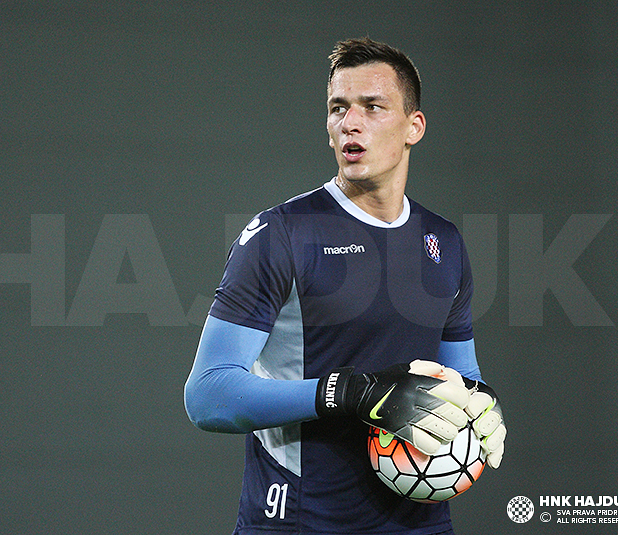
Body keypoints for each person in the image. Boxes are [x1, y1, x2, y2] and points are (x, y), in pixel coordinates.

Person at [184, 37, 506, 535]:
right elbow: (207, 395)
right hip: (302, 522)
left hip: (422, 524)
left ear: (413, 127)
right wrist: (346, 393)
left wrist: (480, 406)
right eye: (338, 108)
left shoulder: (443, 241)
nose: (350, 123)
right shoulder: (282, 235)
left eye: (373, 107)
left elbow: (459, 378)